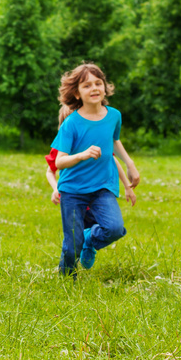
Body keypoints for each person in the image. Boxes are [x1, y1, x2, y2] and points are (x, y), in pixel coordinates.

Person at [52, 63, 140, 276]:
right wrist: (82, 155)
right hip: (73, 190)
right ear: (77, 93)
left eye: (98, 83)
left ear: (105, 87)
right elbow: (59, 163)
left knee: (115, 228)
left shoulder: (114, 116)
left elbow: (115, 141)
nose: (94, 88)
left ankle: (90, 240)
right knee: (72, 243)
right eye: (87, 85)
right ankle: (67, 280)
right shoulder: (71, 124)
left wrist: (130, 165)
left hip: (102, 187)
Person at [45, 105, 136, 209]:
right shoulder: (60, 147)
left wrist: (127, 186)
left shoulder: (96, 142)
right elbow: (50, 171)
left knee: (107, 224)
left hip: (98, 194)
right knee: (77, 225)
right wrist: (56, 188)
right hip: (74, 195)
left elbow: (112, 159)